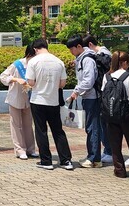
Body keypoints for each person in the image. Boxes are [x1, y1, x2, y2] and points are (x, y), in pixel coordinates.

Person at [25, 38, 73, 170]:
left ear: (35, 49)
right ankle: (66, 160)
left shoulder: (33, 61)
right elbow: (62, 84)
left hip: (38, 100)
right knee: (58, 131)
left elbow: (31, 82)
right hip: (53, 101)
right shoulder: (58, 61)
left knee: (41, 131)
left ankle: (46, 161)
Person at [65, 36, 102, 168]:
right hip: (88, 97)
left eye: (72, 49)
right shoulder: (82, 58)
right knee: (91, 127)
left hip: (92, 98)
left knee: (93, 127)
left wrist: (76, 91)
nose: (71, 52)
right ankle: (93, 157)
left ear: (79, 46)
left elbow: (88, 80)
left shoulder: (87, 60)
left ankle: (94, 159)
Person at [0, 45, 39, 159]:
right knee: (16, 125)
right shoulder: (17, 64)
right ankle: (20, 150)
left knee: (28, 124)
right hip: (15, 98)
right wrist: (15, 79)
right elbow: (3, 76)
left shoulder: (36, 65)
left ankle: (31, 149)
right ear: (29, 55)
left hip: (29, 99)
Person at [83, 34, 113, 164]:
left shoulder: (103, 55)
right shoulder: (104, 54)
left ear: (90, 45)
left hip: (103, 94)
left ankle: (109, 151)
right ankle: (108, 150)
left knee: (103, 124)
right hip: (102, 93)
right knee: (102, 124)